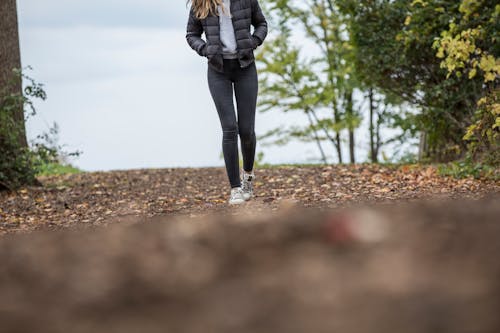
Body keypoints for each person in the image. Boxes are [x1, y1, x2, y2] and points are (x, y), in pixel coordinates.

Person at [185, 0, 268, 205]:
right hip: (218, 70)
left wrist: (254, 41)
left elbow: (262, 24)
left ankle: (247, 176)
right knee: (230, 128)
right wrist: (205, 50)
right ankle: (235, 189)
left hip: (245, 67)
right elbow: (191, 34)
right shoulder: (202, 3)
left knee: (246, 130)